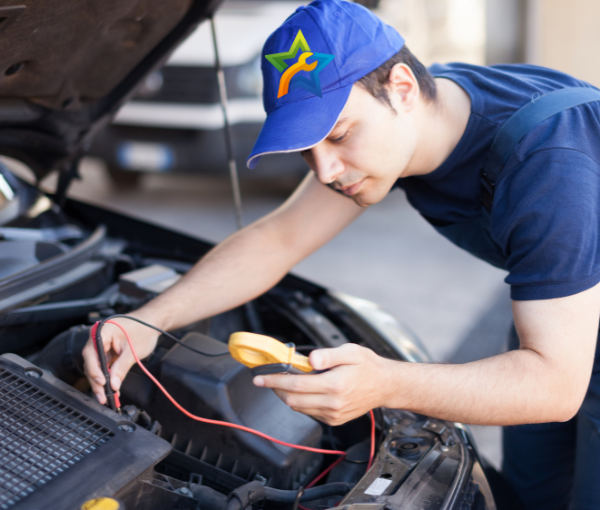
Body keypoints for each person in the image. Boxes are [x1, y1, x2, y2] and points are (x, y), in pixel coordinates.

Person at [82, 1, 600, 508]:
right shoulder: (425, 111)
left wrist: (386, 383)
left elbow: (553, 384)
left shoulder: (549, 165)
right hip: (563, 308)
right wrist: (146, 320)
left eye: (339, 134)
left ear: (401, 89)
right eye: (308, 149)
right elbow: (279, 237)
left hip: (562, 345)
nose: (325, 170)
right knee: (532, 494)